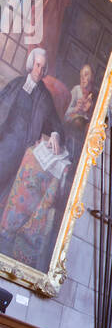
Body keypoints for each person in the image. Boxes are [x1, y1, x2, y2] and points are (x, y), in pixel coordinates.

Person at [0, 48, 62, 218]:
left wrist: (55, 134)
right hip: (3, 133)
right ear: (31, 65)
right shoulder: (17, 83)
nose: (39, 71)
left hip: (21, 144)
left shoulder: (45, 96)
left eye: (43, 68)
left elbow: (56, 123)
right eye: (37, 65)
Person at [0, 128, 72, 269]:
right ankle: (8, 227)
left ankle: (22, 234)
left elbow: (65, 126)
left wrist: (57, 135)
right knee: (30, 161)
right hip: (27, 143)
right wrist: (52, 134)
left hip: (60, 159)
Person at [63, 63, 96, 165]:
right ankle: (72, 157)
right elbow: (65, 112)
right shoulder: (76, 90)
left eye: (86, 75)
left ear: (92, 78)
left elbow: (94, 119)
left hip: (84, 125)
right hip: (73, 120)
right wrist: (76, 108)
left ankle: (81, 160)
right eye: (81, 76)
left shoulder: (94, 95)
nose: (83, 78)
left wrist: (89, 110)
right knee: (79, 122)